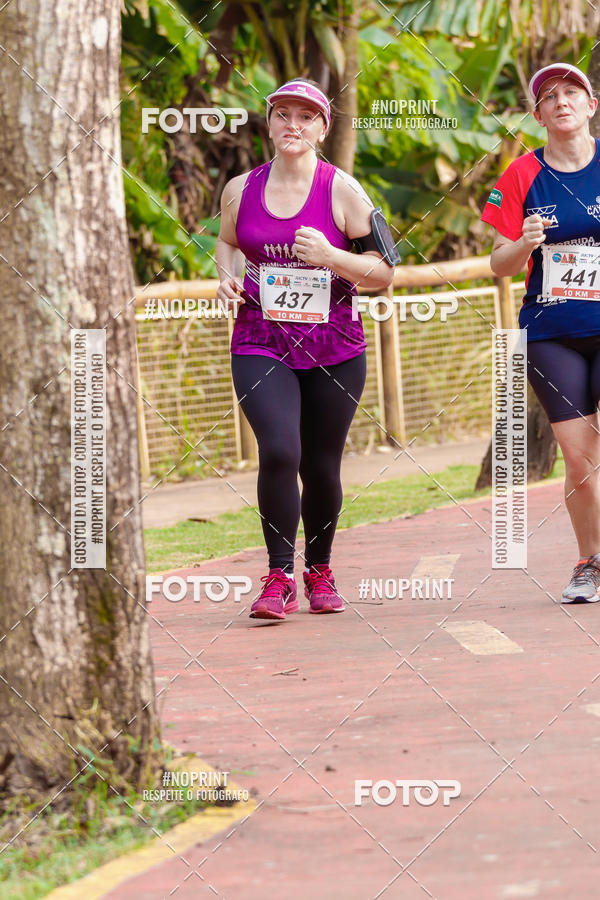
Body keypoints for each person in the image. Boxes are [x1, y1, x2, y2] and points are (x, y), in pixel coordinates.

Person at [215, 78, 396, 620]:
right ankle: (276, 576)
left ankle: (319, 568)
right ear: (269, 123)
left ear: (323, 127)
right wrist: (226, 278)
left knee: (320, 465)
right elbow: (228, 241)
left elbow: (385, 273)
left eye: (306, 117)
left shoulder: (344, 191)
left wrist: (330, 256)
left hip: (334, 345)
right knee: (278, 451)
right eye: (282, 115)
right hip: (259, 338)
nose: (293, 125)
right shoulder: (239, 188)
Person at [482, 62, 600, 602]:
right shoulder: (522, 174)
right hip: (551, 332)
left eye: (572, 92)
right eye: (549, 96)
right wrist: (525, 242)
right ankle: (589, 563)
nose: (562, 101)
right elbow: (498, 265)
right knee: (577, 456)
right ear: (538, 115)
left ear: (591, 104)